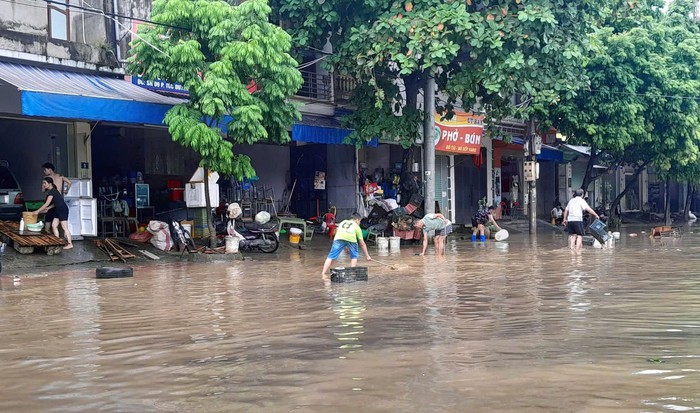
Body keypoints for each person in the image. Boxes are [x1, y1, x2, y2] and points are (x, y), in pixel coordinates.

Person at [32, 177, 73, 249]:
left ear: (50, 184)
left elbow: (46, 204)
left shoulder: (52, 192)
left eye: (45, 183)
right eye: (43, 183)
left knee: (64, 227)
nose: (43, 185)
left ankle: (70, 243)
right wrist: (48, 208)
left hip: (62, 209)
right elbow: (54, 203)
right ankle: (57, 242)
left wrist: (37, 211)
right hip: (57, 209)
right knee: (54, 225)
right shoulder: (53, 191)